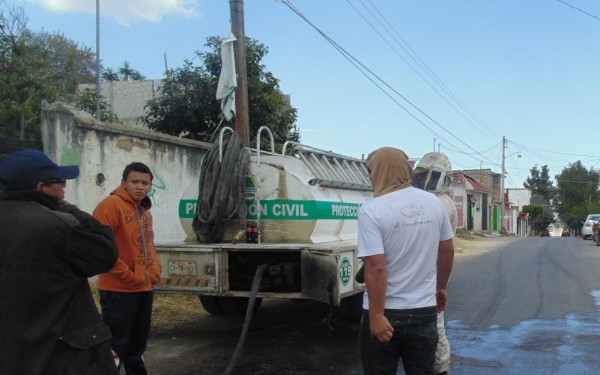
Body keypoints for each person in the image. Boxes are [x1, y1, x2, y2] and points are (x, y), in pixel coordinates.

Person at [0, 149, 119, 374]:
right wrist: (68, 208)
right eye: (60, 183)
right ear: (41, 188)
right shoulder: (56, 226)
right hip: (59, 354)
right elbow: (106, 253)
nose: (64, 189)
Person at [358, 147, 455, 375]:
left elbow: (376, 267)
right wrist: (440, 287)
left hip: (387, 313)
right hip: (424, 311)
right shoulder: (434, 203)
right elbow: (447, 252)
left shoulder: (372, 209)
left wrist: (376, 315)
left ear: (377, 172)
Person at [93, 161, 162, 375]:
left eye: (145, 183)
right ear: (124, 182)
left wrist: (154, 270)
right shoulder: (111, 206)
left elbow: (148, 244)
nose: (140, 187)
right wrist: (127, 274)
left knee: (137, 344)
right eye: (135, 182)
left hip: (144, 287)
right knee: (116, 345)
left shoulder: (144, 209)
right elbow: (101, 249)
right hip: (119, 289)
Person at [412, 152, 457, 375]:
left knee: (435, 325)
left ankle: (439, 368)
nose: (420, 181)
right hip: (425, 272)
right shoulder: (434, 200)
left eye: (425, 176)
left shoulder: (441, 203)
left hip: (431, 272)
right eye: (419, 175)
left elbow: (445, 250)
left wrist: (441, 286)